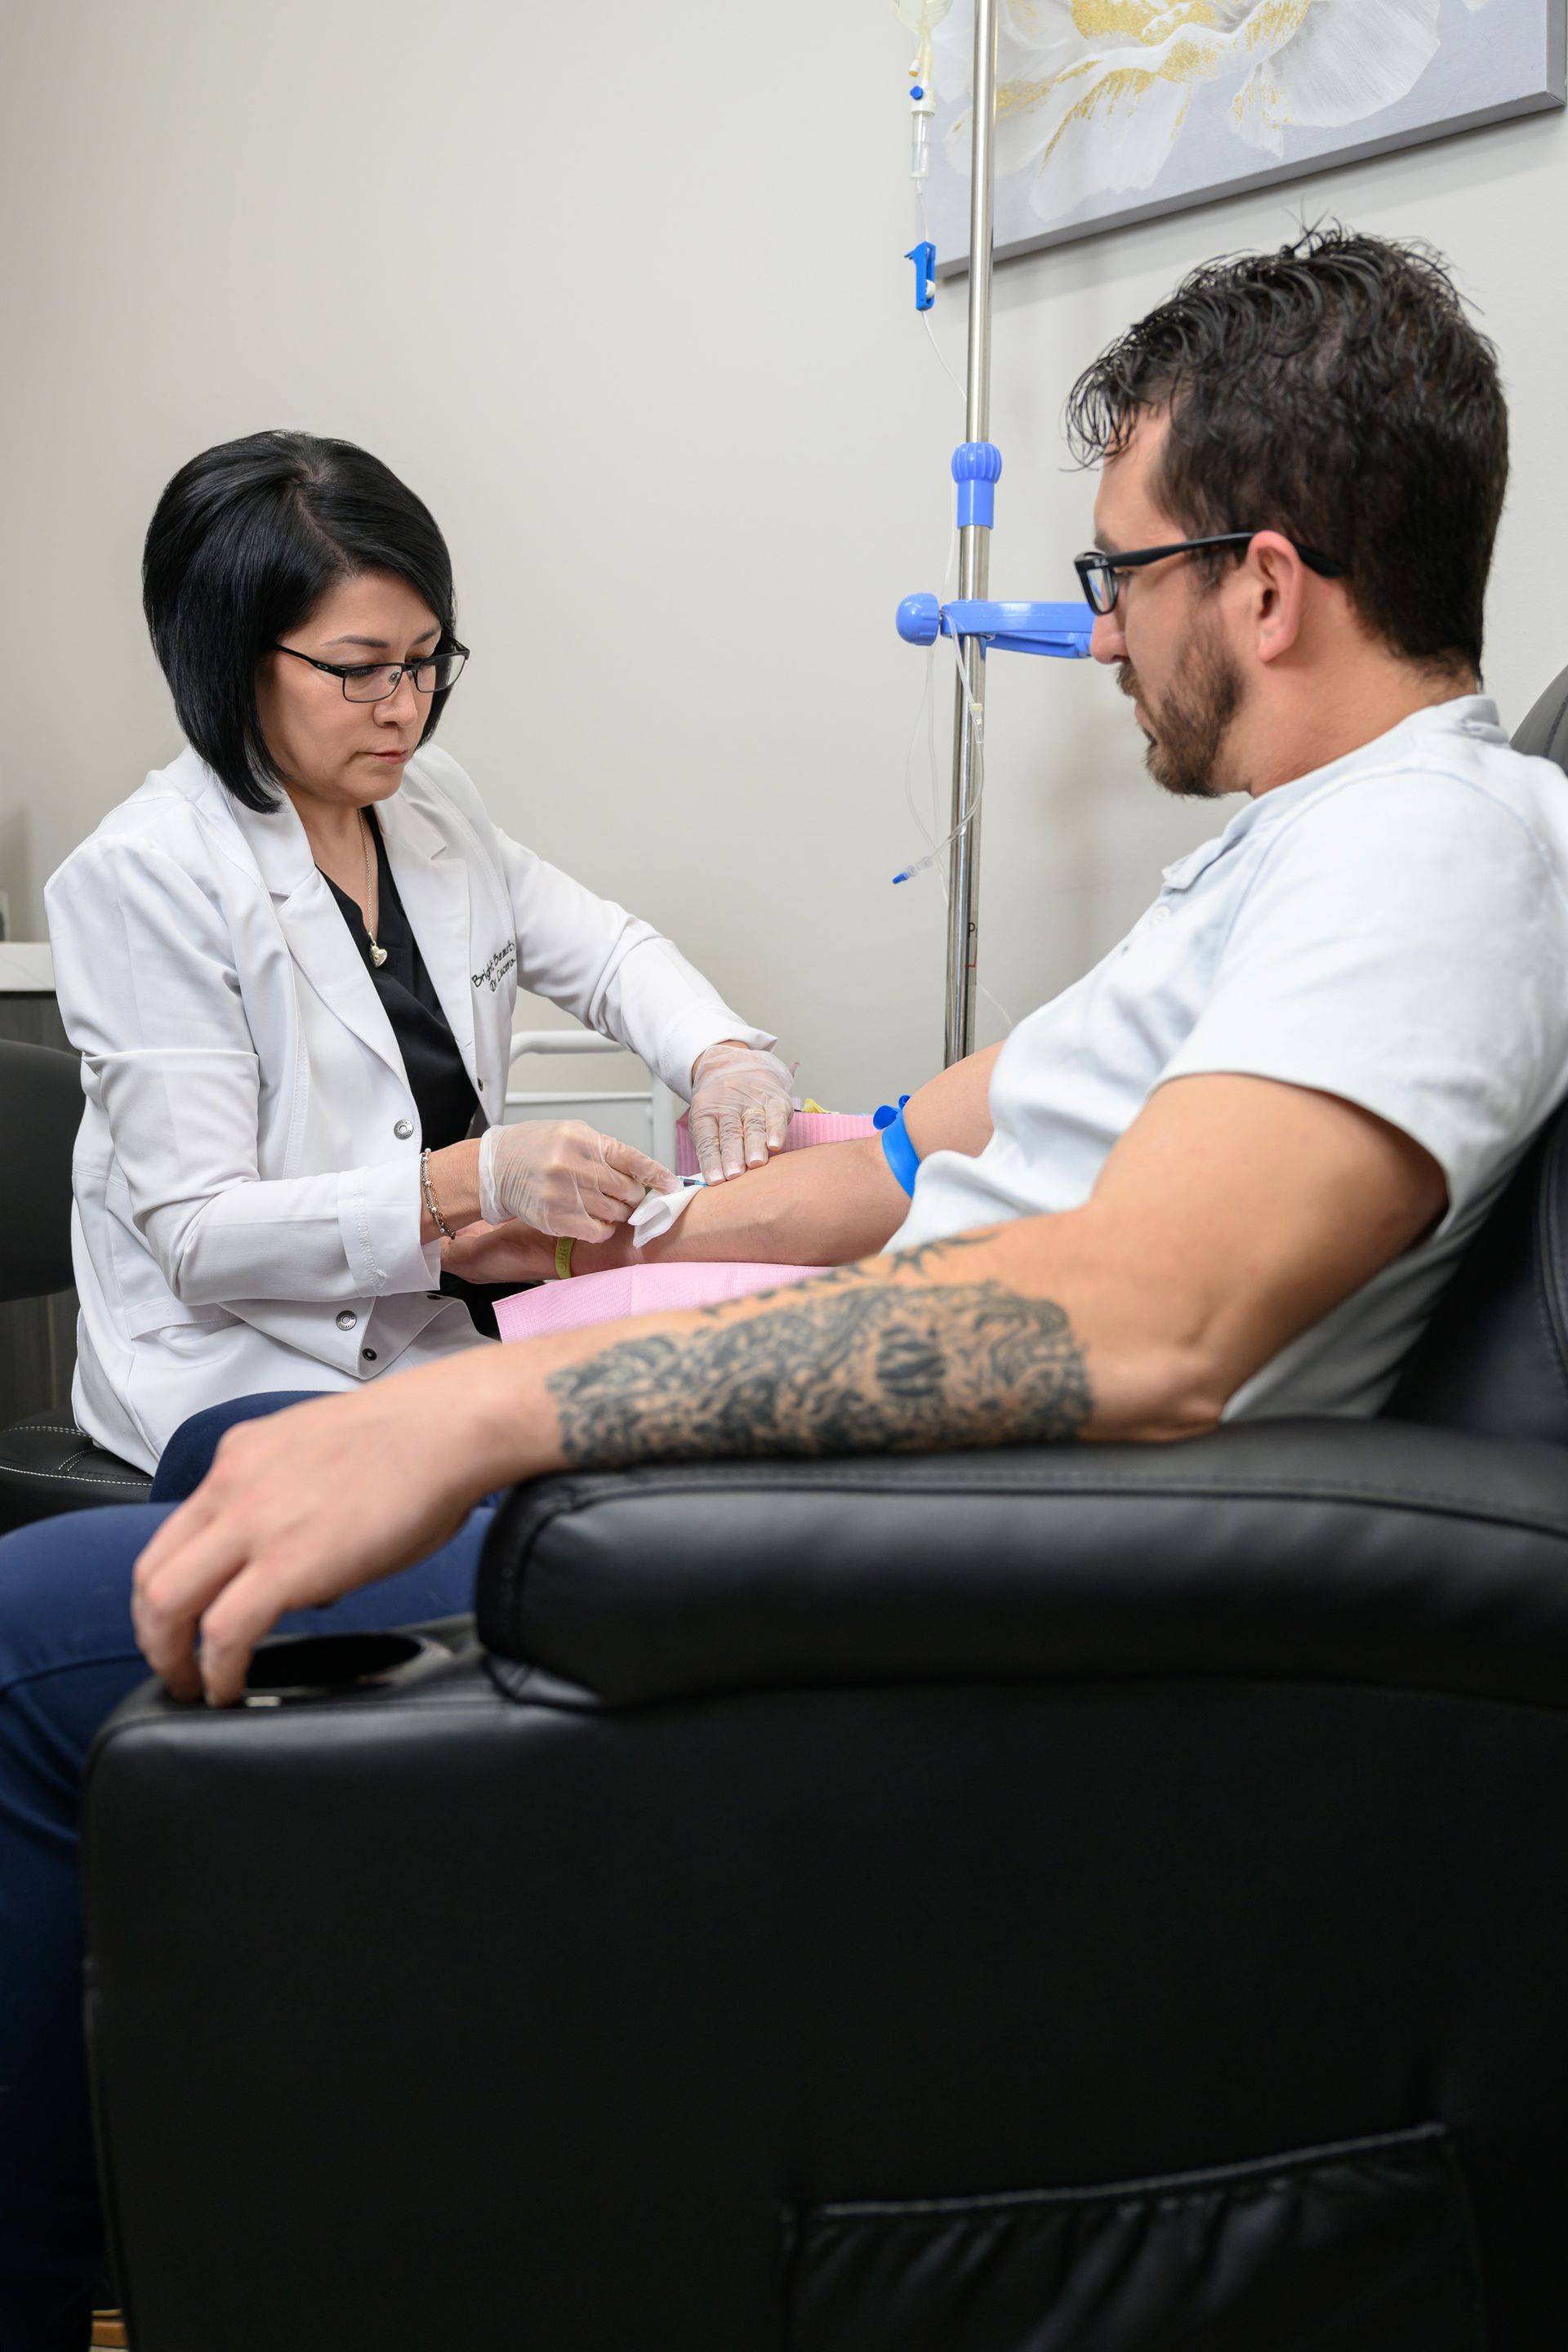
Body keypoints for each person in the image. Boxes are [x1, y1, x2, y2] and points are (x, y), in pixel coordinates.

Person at [2, 224, 1561, 2345]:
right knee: (152, 1511)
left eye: (1119, 581)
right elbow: (940, 1143)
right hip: (845, 1459)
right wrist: (686, 1209)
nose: (1098, 639)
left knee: (22, 1653)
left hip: (901, 1536)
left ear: (1263, 585)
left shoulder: (1434, 852)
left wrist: (473, 1405)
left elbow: (1150, 1321)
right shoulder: (1299, 852)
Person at [43, 430, 796, 1473]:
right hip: (240, 1366)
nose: (407, 708)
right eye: (359, 671)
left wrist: (723, 1058)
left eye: (426, 659)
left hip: (436, 1317)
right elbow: (199, 1235)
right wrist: (468, 1182)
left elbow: (608, 953)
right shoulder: (146, 875)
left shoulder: (427, 801)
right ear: (228, 658)